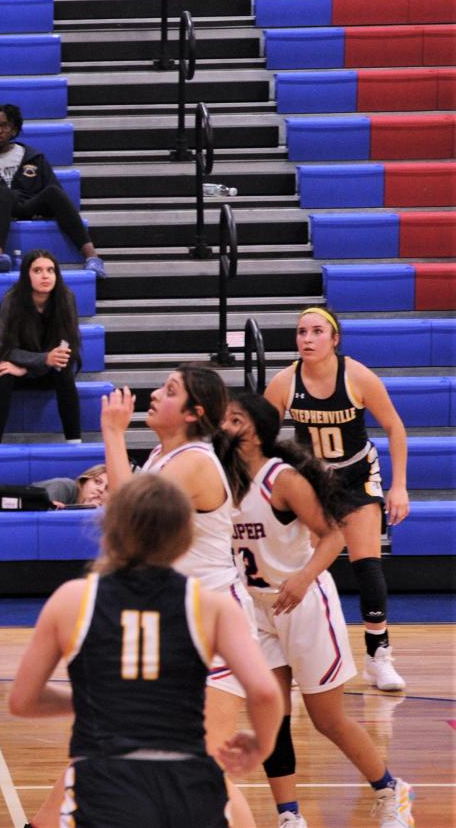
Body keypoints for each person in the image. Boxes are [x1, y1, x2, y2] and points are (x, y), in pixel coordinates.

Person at [9, 474, 283, 828]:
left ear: (108, 531)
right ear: (186, 540)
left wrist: (93, 699)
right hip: (188, 785)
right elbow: (264, 692)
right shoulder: (212, 607)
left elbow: (22, 700)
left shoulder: (72, 600)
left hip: (106, 782)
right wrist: (261, 744)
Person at [222, 392, 415, 828]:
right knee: (271, 717)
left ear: (254, 430)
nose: (225, 427)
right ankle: (289, 816)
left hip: (305, 604)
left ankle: (391, 790)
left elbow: (333, 536)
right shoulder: (224, 480)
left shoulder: (283, 479)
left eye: (234, 419)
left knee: (327, 719)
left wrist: (304, 576)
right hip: (257, 609)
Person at [97, 370, 258, 828]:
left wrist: (111, 432)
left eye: (169, 392)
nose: (153, 394)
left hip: (214, 627)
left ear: (194, 413)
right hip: (173, 625)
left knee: (203, 762)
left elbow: (127, 521)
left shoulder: (194, 462)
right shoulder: (161, 456)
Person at [264, 306, 410, 692]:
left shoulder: (358, 376)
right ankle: (295, 660)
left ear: (334, 338)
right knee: (305, 570)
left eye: (316, 332)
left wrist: (400, 486)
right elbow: (260, 437)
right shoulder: (283, 383)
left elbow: (395, 427)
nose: (307, 339)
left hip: (357, 474)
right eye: (301, 332)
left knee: (368, 565)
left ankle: (379, 657)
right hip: (311, 480)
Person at [0, 104, 106, 276]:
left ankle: (92, 257)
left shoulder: (34, 157)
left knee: (54, 192)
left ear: (14, 130)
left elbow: (53, 190)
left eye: (4, 126)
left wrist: (42, 213)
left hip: (28, 205)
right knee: (5, 193)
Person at [0, 249, 81, 444]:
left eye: (50, 270)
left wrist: (28, 368)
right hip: (9, 360)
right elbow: (5, 349)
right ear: (26, 275)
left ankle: (74, 442)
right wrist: (42, 360)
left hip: (44, 369)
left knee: (65, 370)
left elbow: (66, 348)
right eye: (37, 270)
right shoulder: (11, 299)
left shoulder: (66, 298)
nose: (45, 276)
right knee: (3, 374)